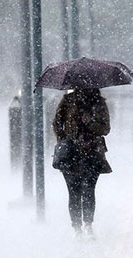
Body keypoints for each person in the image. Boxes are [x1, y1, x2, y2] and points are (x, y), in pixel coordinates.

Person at [52, 88, 112, 238]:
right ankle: (77, 228)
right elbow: (57, 123)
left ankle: (88, 225)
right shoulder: (67, 101)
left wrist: (90, 122)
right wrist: (64, 140)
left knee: (89, 190)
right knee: (74, 192)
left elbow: (105, 129)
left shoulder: (99, 103)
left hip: (92, 152)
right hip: (71, 154)